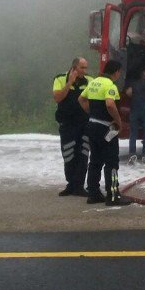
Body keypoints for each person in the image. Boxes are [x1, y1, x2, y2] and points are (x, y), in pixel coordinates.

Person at [79, 60, 132, 206]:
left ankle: (93, 194)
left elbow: (81, 99)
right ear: (116, 72)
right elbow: (110, 104)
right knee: (112, 163)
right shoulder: (110, 85)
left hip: (92, 126)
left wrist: (91, 112)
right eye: (119, 72)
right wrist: (118, 121)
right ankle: (113, 195)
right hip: (107, 128)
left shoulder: (94, 82)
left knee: (95, 161)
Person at [52, 57, 91, 197]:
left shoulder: (89, 81)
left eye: (86, 68)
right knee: (68, 154)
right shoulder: (60, 79)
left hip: (84, 124)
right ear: (74, 68)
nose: (85, 71)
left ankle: (80, 185)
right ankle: (71, 184)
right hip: (67, 124)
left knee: (83, 154)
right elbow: (57, 98)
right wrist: (70, 83)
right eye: (82, 68)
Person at [125, 67, 145, 163]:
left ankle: (132, 154)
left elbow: (128, 93)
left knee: (133, 133)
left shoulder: (133, 83)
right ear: (144, 73)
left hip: (135, 109)